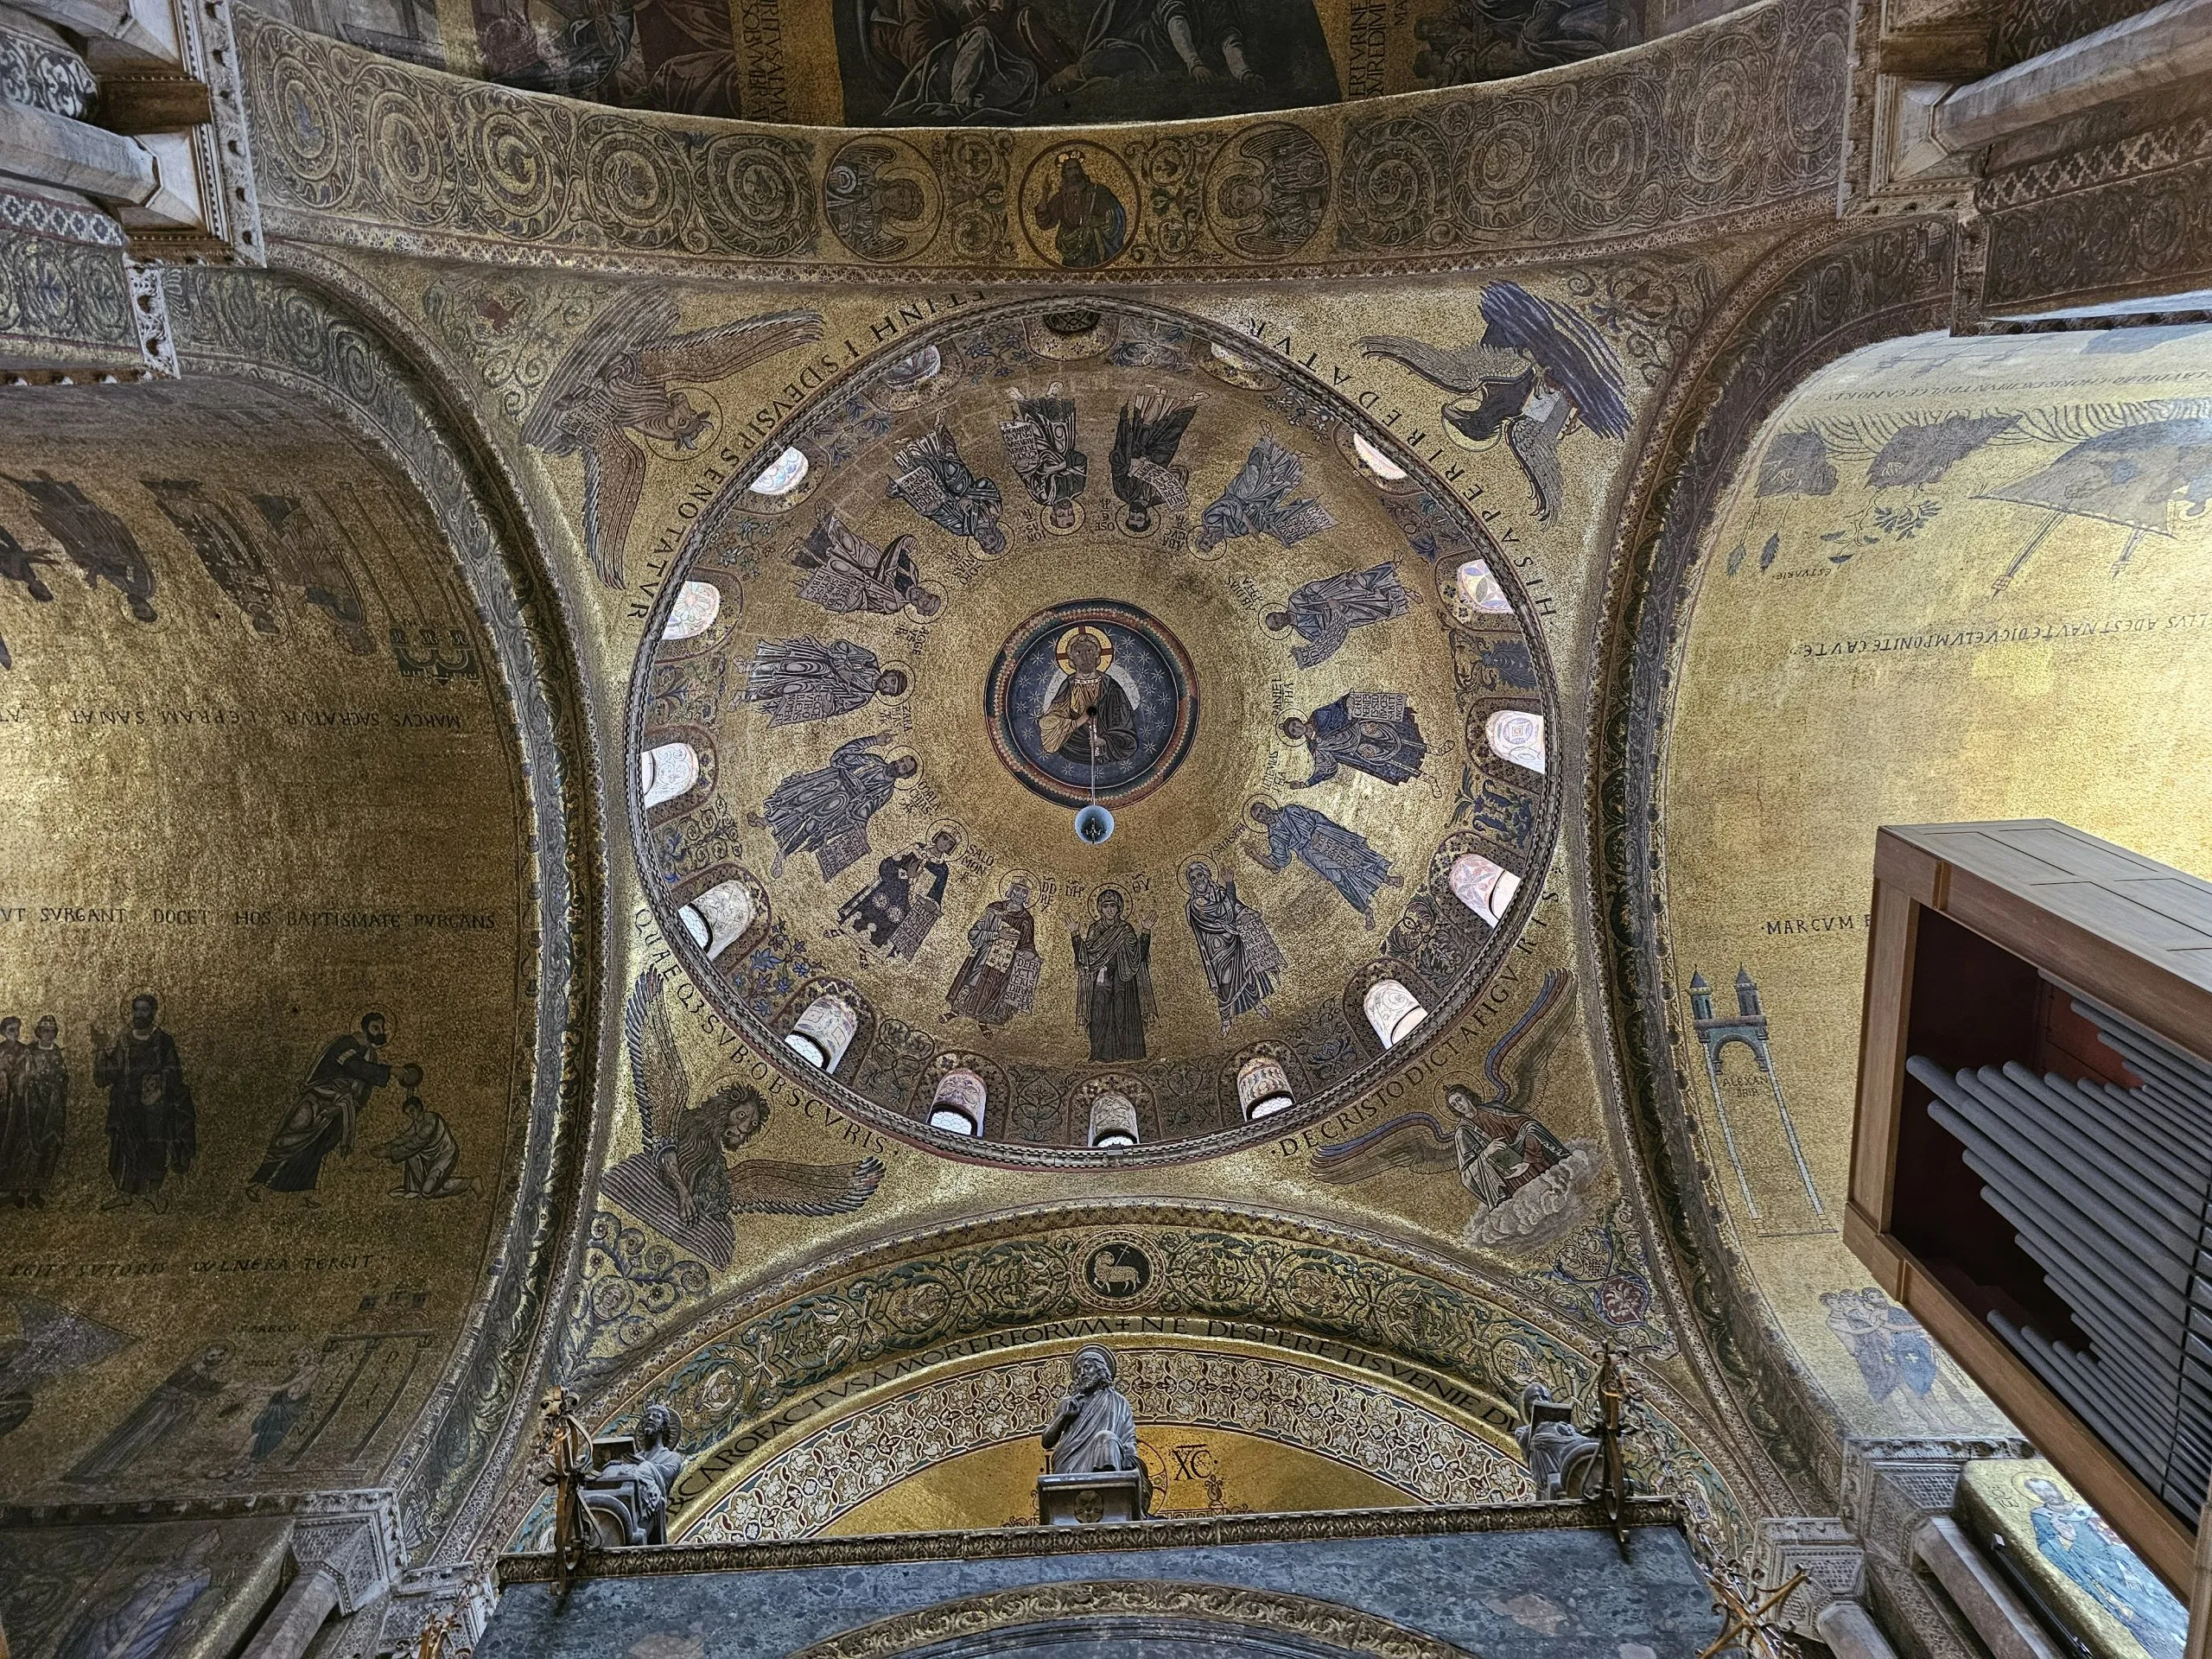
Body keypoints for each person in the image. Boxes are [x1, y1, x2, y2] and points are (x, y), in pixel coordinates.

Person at [247, 1014, 394, 1201]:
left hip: (339, 1108)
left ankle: (309, 1193)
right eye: (376, 1027)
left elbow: (364, 1089)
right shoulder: (346, 1044)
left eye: (382, 1028)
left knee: (318, 1147)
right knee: (288, 1140)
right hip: (318, 1100)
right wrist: (389, 1071)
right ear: (365, 1028)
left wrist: (354, 1108)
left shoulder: (371, 1055)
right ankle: (258, 1185)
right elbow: (355, 1067)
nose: (380, 1032)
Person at [92, 995, 194, 1211]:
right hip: (126, 1105)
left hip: (153, 1107)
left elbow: (174, 1070)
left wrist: (156, 1084)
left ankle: (153, 1194)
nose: (139, 1014)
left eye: (144, 1010)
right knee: (123, 1149)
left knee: (154, 1149)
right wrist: (101, 1049)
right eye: (136, 1010)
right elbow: (111, 1073)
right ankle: (124, 1193)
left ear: (153, 1012)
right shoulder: (125, 1040)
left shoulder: (163, 1040)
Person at [1248, 802, 1399, 926]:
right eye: (1258, 816)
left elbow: (1314, 816)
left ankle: (1387, 878)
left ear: (1267, 806)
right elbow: (1279, 861)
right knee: (1339, 878)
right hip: (1311, 854)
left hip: (1323, 837)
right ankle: (1365, 910)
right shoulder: (1275, 837)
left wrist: (1316, 830)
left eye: (1261, 810)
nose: (1262, 815)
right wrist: (1257, 856)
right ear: (1259, 821)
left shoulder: (1290, 810)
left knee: (1355, 858)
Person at [1184, 861, 1281, 1027]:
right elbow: (1223, 911)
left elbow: (1235, 907)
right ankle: (1226, 1020)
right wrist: (1230, 884)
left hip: (1235, 941)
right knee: (1225, 983)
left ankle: (1257, 1004)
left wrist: (1246, 913)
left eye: (1199, 875)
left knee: (1248, 973)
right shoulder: (1195, 905)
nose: (1197, 881)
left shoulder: (1219, 893)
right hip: (1217, 951)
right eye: (1193, 879)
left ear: (1207, 875)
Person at [744, 637, 906, 728]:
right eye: (892, 680)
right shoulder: (869, 660)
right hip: (824, 664)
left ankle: (754, 693)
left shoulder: (863, 698)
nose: (888, 685)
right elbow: (841, 646)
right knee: (805, 667)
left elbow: (839, 707)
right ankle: (751, 666)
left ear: (888, 694)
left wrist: (830, 707)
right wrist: (842, 668)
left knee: (792, 688)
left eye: (892, 689)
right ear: (889, 672)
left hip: (821, 688)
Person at [1071, 889, 1154, 1062]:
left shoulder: (1125, 929)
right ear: (1100, 909)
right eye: (1106, 906)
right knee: (1099, 1011)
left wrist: (1146, 931)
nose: (1110, 910)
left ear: (1119, 908)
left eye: (1113, 906)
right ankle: (1100, 1053)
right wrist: (1075, 934)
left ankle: (1127, 1053)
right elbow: (1086, 956)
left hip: (1123, 977)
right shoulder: (1095, 929)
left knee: (1121, 1010)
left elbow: (1137, 956)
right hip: (1102, 977)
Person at [1282, 692, 1427, 788]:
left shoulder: (1318, 716)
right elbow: (1324, 768)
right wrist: (1305, 784)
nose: (1297, 729)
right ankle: (1425, 777)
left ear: (1299, 720)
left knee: (1395, 734)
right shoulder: (1314, 747)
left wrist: (1347, 702)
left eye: (1295, 725)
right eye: (1294, 732)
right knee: (1388, 762)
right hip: (1357, 751)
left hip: (1357, 728)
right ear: (1296, 737)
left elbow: (1336, 708)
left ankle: (1432, 749)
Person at [1042, 1345, 1143, 1483]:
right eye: (1078, 1371)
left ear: (1100, 1370)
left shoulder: (1117, 1402)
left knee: (1106, 1438)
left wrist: (1130, 1458)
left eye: (1087, 1367)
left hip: (1105, 1451)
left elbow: (1128, 1437)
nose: (1082, 1373)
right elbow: (1046, 1441)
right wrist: (1063, 1416)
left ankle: (1109, 1486)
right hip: (1069, 1458)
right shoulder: (1069, 1403)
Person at [946, 884, 1041, 1027]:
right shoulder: (994, 908)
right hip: (984, 954)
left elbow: (1028, 945)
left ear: (1027, 896)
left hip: (1005, 962)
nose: (1019, 894)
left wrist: (1027, 954)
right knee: (972, 981)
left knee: (993, 990)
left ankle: (983, 1021)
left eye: (1024, 892)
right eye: (1017, 889)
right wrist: (997, 935)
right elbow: (973, 933)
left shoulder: (1027, 920)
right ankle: (955, 1011)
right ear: (1010, 890)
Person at [1037, 628, 1136, 765]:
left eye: (1089, 651)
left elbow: (1125, 725)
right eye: (1079, 653)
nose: (1085, 658)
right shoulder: (1068, 686)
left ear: (1097, 654)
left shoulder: (1111, 687)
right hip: (1075, 747)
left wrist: (1105, 740)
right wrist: (1080, 720)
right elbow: (1050, 721)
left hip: (1105, 744)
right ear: (1071, 658)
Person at [378, 1066, 472, 1198]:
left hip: (444, 1155)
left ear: (419, 1108)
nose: (411, 1115)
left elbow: (415, 1143)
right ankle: (412, 1190)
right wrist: (387, 1146)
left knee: (427, 1192)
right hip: (428, 1155)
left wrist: (389, 1153)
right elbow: (406, 1136)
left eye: (412, 1111)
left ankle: (469, 1183)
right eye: (408, 1114)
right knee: (411, 1155)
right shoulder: (418, 1122)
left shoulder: (430, 1123)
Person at [1033, 151, 1128, 270]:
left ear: (1081, 170)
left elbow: (1117, 215)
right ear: (1064, 174)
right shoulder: (1060, 198)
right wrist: (1045, 194)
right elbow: (1044, 222)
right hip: (1070, 252)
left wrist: (1100, 221)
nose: (1074, 173)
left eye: (1076, 168)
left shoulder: (1098, 192)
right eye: (1069, 169)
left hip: (1094, 250)